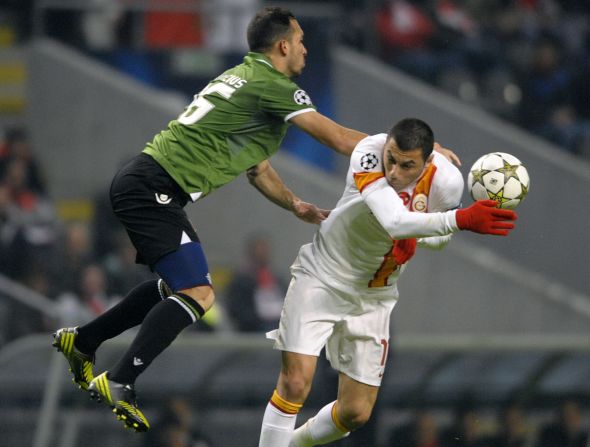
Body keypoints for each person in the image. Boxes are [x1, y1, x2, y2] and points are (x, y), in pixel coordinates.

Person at [50, 5, 395, 433]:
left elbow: (259, 169)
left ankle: (83, 341)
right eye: (301, 40)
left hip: (149, 183)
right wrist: (416, 155)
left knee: (173, 287)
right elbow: (342, 140)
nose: (306, 48)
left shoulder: (243, 77)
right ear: (283, 45)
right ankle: (121, 379)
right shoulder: (272, 84)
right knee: (198, 292)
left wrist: (294, 204)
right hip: (152, 186)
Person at [257, 118, 517, 447]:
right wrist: (461, 219)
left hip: (374, 296)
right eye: (392, 159)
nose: (394, 171)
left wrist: (426, 232)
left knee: (356, 413)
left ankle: (290, 444)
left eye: (408, 165)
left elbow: (436, 241)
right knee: (295, 383)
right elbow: (394, 220)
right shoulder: (369, 152)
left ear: (427, 162)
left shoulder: (447, 182)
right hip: (323, 274)